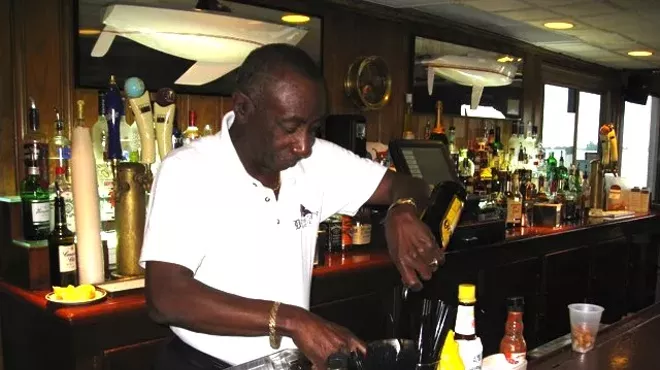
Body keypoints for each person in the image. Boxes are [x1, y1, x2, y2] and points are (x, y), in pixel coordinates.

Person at [141, 44, 444, 370]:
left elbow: (413, 186)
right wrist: (292, 321)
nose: (303, 145)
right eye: (290, 127)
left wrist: (403, 209)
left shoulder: (317, 160)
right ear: (243, 108)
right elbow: (165, 296)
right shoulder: (190, 170)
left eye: (312, 128)